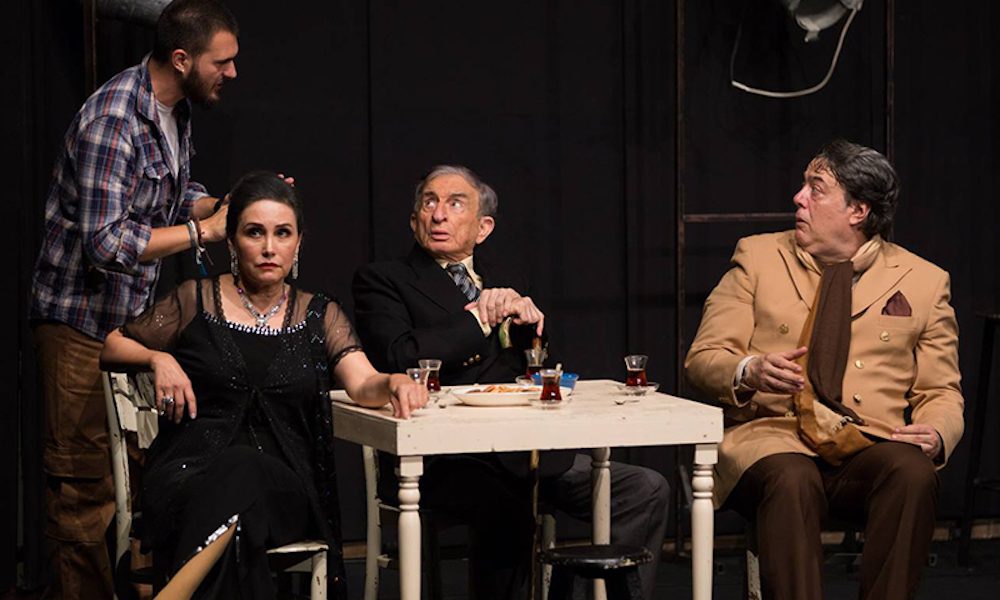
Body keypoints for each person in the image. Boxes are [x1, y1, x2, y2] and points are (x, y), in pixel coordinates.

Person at [101, 171, 428, 599]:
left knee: (244, 467)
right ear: (232, 242)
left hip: (284, 485)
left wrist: (394, 381)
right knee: (239, 526)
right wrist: (157, 357)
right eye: (254, 232)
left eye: (282, 233)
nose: (270, 247)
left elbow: (363, 381)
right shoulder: (194, 299)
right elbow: (112, 345)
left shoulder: (319, 315)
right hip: (189, 475)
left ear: (298, 243)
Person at [352, 165, 670, 600]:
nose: (439, 214)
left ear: (483, 227)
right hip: (444, 460)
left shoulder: (507, 276)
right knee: (506, 503)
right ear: (414, 221)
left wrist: (530, 330)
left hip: (525, 449)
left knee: (645, 489)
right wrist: (478, 320)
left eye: (455, 204)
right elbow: (399, 356)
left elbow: (539, 368)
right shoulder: (383, 279)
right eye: (429, 203)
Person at [685, 140, 964, 600]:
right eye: (804, 186)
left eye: (816, 189)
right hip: (772, 439)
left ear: (858, 210)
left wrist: (936, 430)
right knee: (792, 479)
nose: (798, 198)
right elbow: (704, 357)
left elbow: (942, 390)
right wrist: (749, 370)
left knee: (913, 472)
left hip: (866, 442)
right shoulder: (758, 257)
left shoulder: (924, 281)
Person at [29, 1, 240, 596]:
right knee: (83, 491)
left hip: (130, 323)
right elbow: (105, 242)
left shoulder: (173, 110)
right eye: (222, 61)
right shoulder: (113, 120)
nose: (231, 72)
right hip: (79, 324)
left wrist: (228, 206)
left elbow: (175, 195)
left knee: (143, 478)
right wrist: (203, 233)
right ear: (183, 59)